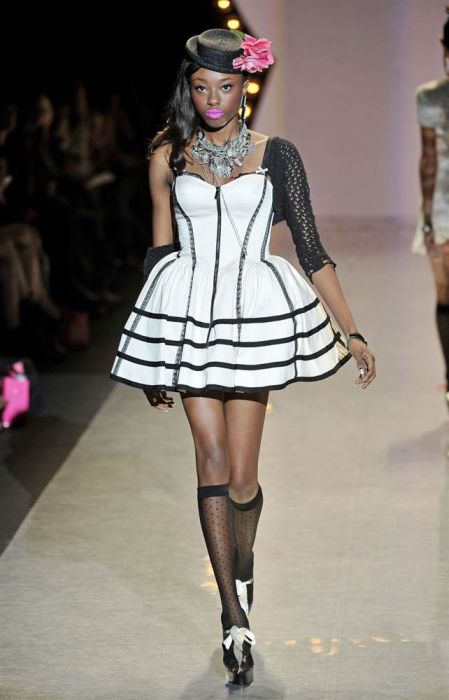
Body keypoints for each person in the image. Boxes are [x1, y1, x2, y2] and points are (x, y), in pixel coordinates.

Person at [109, 28, 376, 687]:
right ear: (189, 87)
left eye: (225, 87)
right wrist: (153, 356)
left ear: (244, 87)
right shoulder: (167, 156)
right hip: (189, 315)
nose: (212, 99)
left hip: (253, 317)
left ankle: (242, 564)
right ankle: (233, 617)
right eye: (201, 87)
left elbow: (310, 249)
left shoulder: (276, 155)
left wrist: (352, 331)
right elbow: (159, 252)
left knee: (242, 482)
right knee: (211, 458)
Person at [411, 6, 449, 411]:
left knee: (445, 294)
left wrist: (427, 217)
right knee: (444, 294)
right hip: (442, 208)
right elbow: (428, 160)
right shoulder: (430, 96)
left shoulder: (431, 96)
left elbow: (429, 160)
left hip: (441, 208)